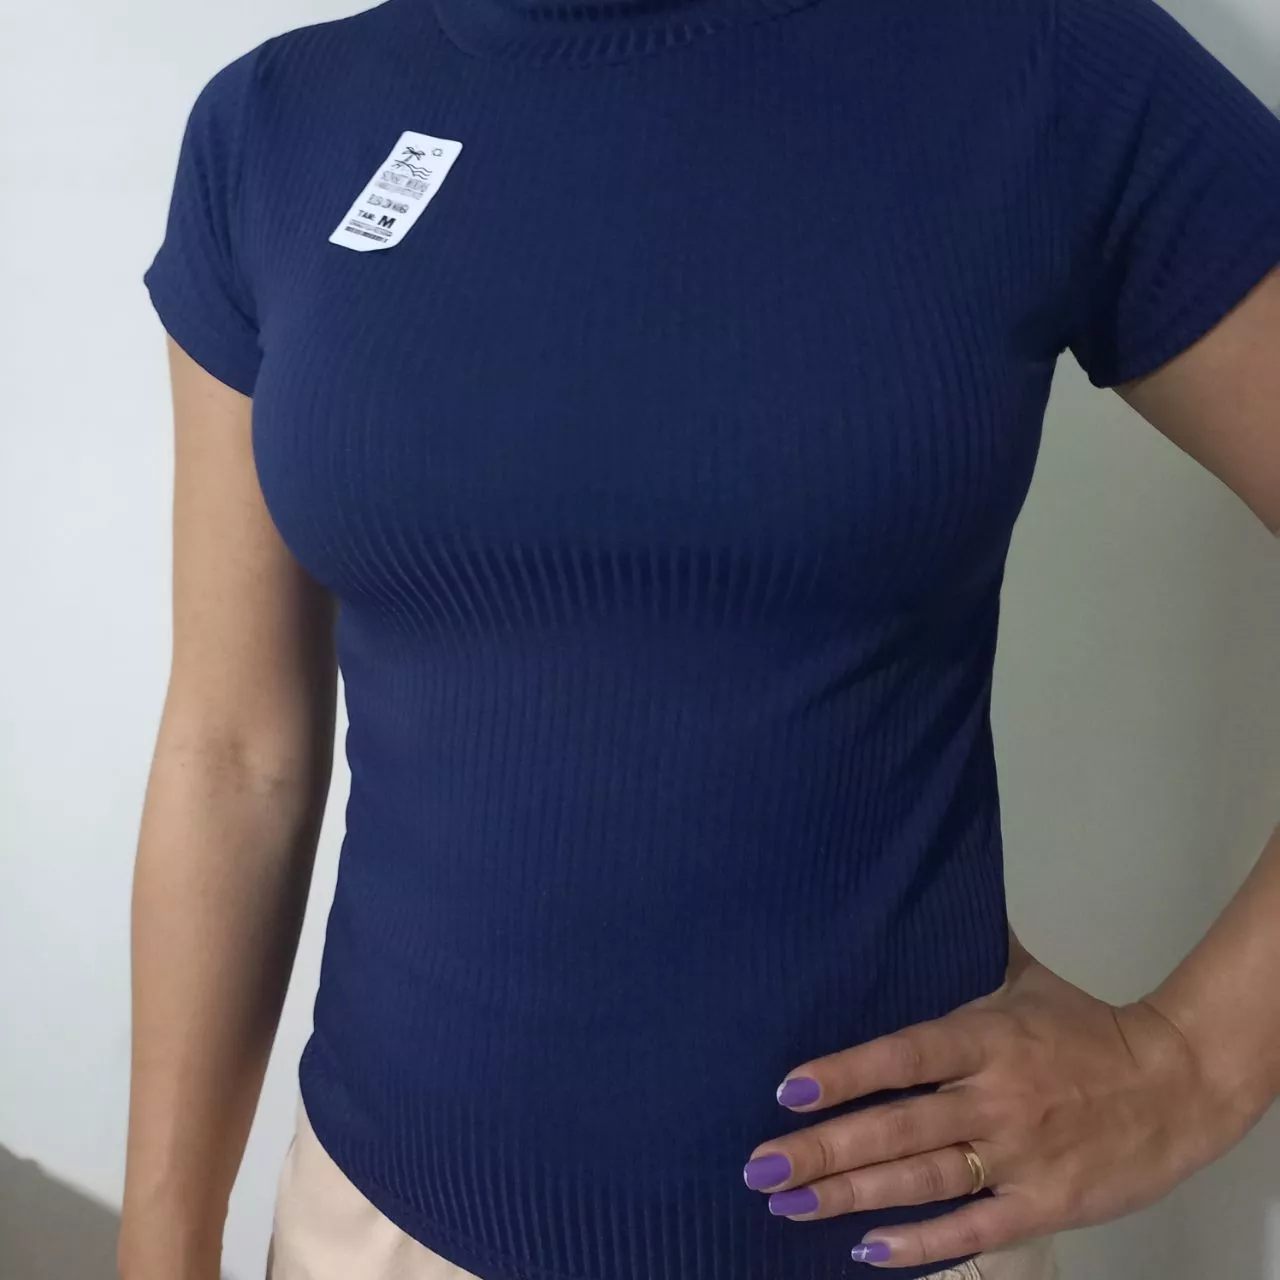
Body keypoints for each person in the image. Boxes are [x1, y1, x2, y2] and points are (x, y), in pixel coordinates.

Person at [118, 0, 1280, 1277]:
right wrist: (163, 1239)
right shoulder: (276, 125)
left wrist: (1194, 1062)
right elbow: (234, 752)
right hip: (373, 1225)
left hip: (886, 1240)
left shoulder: (1035, 59)